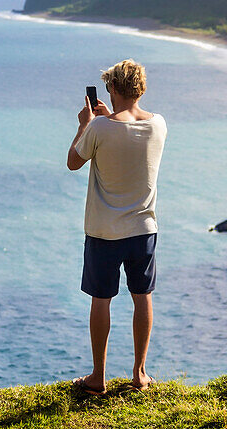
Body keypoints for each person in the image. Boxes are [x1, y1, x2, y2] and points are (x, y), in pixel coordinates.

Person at [66, 59, 167, 395]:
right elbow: (125, 128)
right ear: (139, 89)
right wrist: (108, 117)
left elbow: (73, 162)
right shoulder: (159, 124)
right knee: (143, 297)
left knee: (101, 300)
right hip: (144, 228)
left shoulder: (99, 128)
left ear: (113, 88)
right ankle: (139, 374)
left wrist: (86, 124)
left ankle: (98, 377)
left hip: (104, 231)